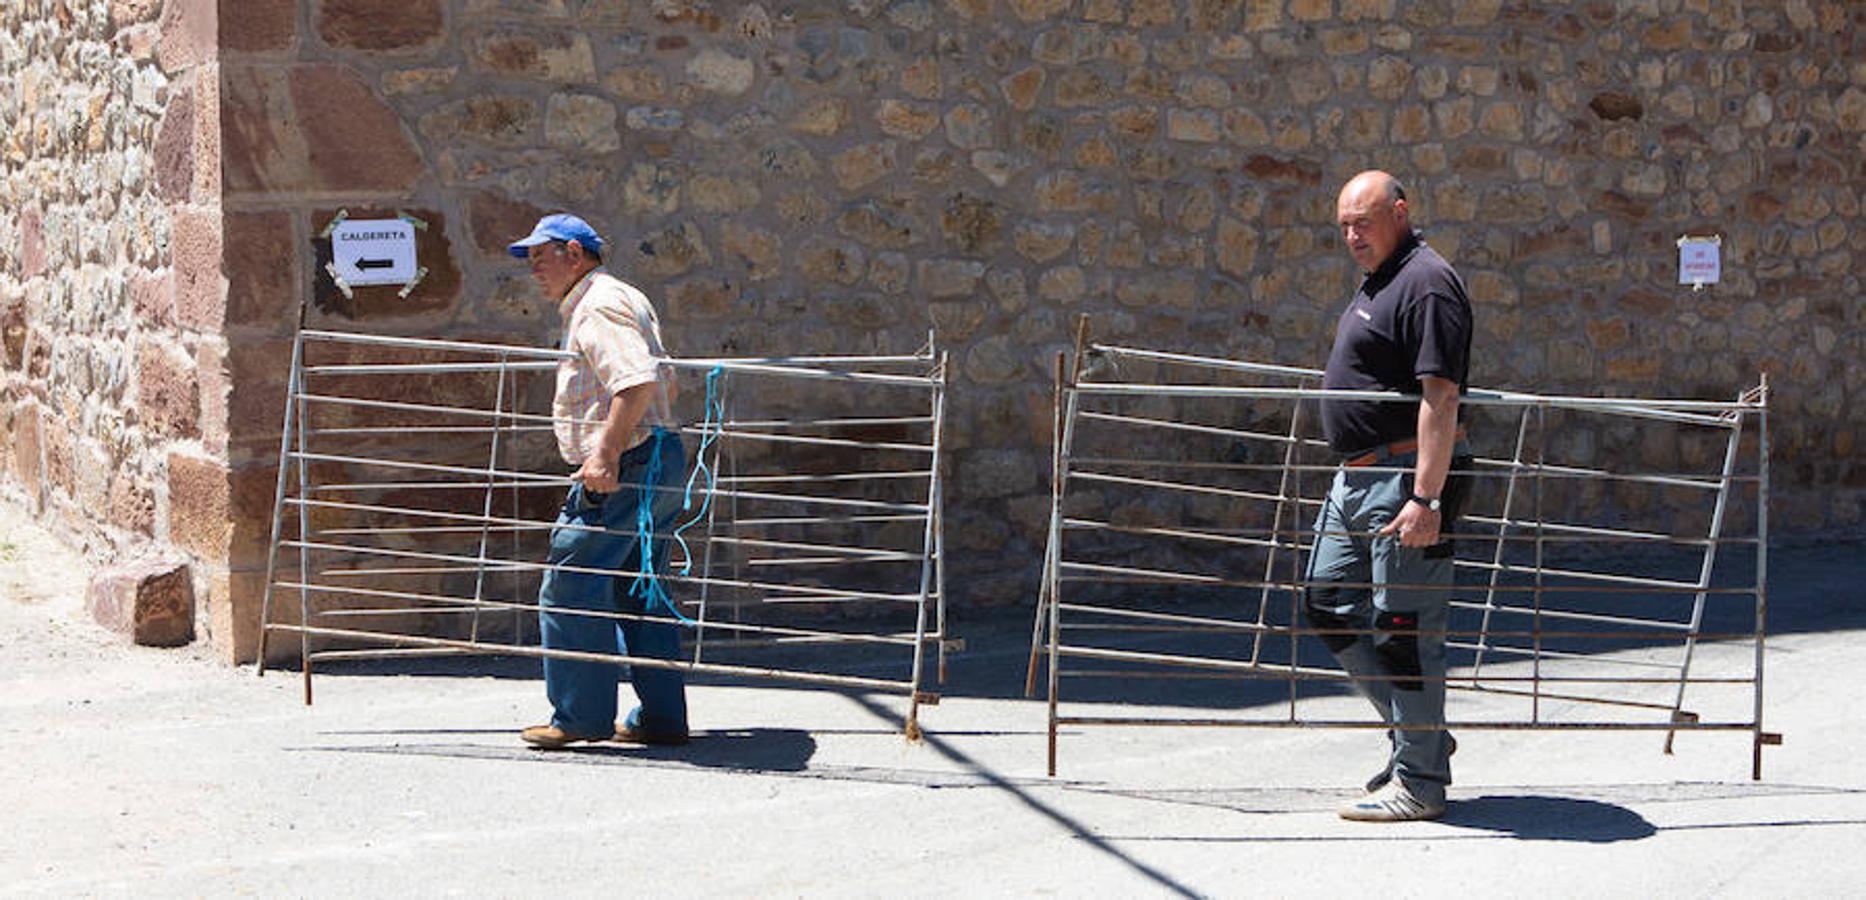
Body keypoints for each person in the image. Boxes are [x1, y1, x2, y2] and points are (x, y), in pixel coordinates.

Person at [1305, 171, 1474, 821]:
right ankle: (1420, 737)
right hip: (1356, 477)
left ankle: (1422, 782)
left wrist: (1427, 500)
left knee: (1404, 630)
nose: (1352, 235)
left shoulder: (1428, 283)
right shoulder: (1383, 278)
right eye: (1344, 225)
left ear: (1400, 213)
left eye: (1364, 222)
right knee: (1327, 603)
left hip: (1405, 483)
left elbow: (1442, 396)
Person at [510, 213, 691, 749]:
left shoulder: (599, 304)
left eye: (541, 257)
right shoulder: (618, 297)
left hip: (629, 460)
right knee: (641, 588)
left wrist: (605, 454)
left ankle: (579, 716)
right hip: (656, 455)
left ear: (573, 251)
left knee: (570, 583)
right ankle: (661, 716)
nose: (534, 270)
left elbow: (635, 382)